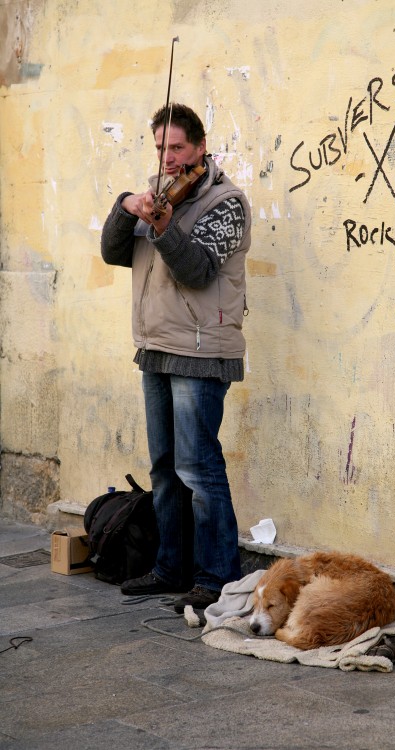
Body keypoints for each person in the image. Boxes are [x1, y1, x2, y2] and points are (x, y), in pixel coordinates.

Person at [101, 103, 251, 612]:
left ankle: (216, 578)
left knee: (199, 468)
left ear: (200, 147)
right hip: (156, 348)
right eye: (161, 147)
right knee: (164, 468)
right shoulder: (155, 196)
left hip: (201, 351)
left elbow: (198, 271)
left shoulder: (227, 202)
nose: (168, 158)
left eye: (178, 148)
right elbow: (113, 253)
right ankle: (170, 568)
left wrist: (165, 228)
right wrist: (126, 206)